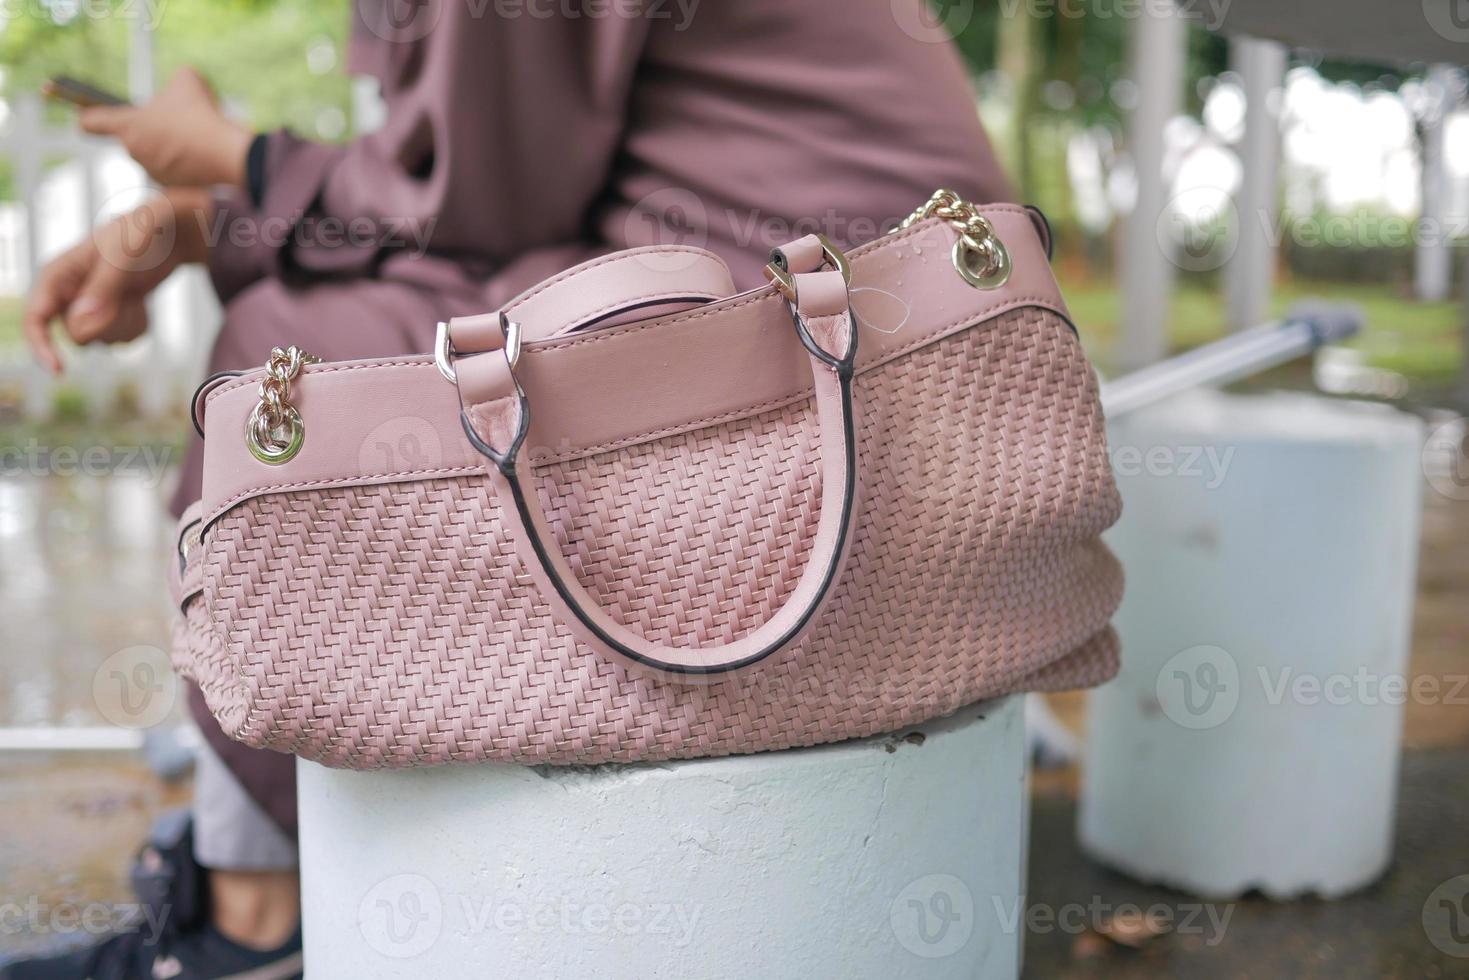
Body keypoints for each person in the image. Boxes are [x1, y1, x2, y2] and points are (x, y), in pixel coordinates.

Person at [9, 1, 1009, 976]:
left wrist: (236, 164)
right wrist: (218, 213)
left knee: (287, 345)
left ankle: (251, 918)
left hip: (821, 359)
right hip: (919, 329)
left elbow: (472, 204)